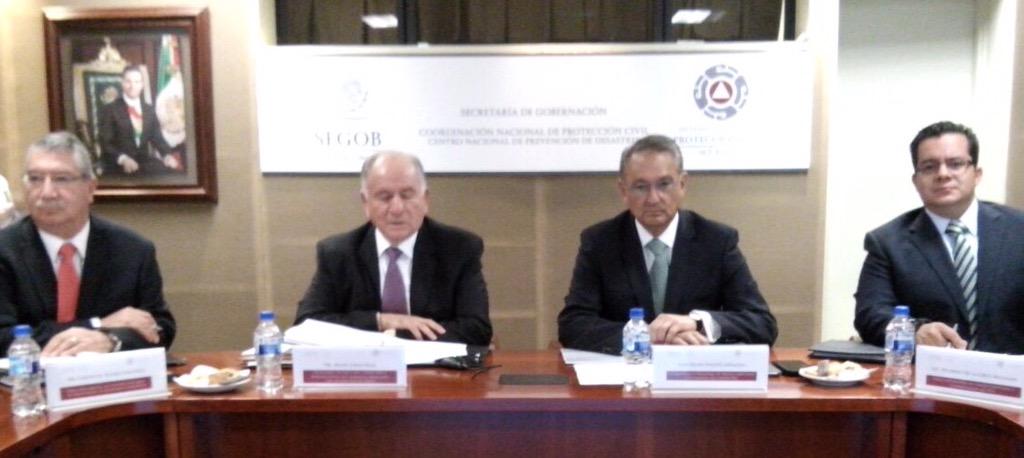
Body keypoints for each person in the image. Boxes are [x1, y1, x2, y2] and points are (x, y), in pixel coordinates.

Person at [558, 135, 777, 354]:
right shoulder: (600, 242)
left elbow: (762, 324)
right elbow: (573, 324)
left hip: (694, 368)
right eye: (640, 187)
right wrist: (644, 335)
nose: (653, 198)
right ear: (623, 191)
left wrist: (697, 324)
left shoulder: (716, 241)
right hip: (627, 370)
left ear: (682, 184)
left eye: (664, 184)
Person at [854, 121, 1024, 354]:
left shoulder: (1018, 230)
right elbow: (870, 315)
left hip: (1012, 371)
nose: (943, 174)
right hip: (929, 372)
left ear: (976, 174)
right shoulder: (887, 242)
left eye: (956, 164)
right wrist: (915, 330)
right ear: (916, 180)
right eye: (929, 167)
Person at [0, 132, 176, 355]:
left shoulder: (133, 251)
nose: (47, 193)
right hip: (26, 377)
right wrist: (97, 325)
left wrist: (111, 341)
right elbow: (3, 337)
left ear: (91, 188)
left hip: (112, 376)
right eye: (35, 179)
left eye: (61, 179)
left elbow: (159, 328)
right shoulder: (5, 250)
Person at [294, 151, 492, 346]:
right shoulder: (338, 253)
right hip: (362, 365)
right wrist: (382, 321)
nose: (397, 208)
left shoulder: (459, 248)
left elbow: (476, 329)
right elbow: (307, 324)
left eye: (407, 196)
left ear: (425, 200)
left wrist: (394, 336)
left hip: (435, 365)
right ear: (366, 203)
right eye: (384, 197)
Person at [97, 65, 180, 176]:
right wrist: (123, 159)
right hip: (117, 164)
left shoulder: (149, 110)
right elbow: (105, 143)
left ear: (142, 85)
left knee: (171, 175)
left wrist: (167, 155)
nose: (132, 86)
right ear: (122, 83)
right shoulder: (110, 110)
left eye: (137, 82)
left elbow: (157, 137)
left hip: (143, 163)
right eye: (128, 81)